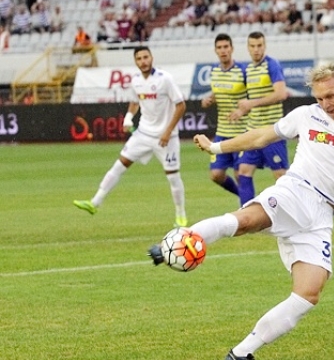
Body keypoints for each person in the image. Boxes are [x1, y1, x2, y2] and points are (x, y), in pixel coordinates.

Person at [148, 63, 334, 360]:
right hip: (296, 190)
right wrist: (216, 146)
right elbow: (260, 136)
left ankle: (242, 353)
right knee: (245, 221)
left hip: (322, 216)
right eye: (319, 97)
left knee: (309, 292)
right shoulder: (305, 115)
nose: (326, 104)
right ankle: (172, 244)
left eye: (330, 95)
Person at [73, 47, 188, 227]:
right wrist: (128, 117)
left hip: (167, 137)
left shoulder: (164, 79)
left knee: (173, 176)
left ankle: (181, 216)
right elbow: (135, 102)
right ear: (135, 62)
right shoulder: (135, 81)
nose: (143, 61)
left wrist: (167, 132)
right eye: (139, 58)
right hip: (143, 133)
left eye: (145, 57)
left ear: (152, 58)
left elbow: (181, 106)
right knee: (119, 165)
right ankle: (95, 202)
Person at [226, 31, 290, 205]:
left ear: (265, 46)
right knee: (242, 171)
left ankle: (288, 213)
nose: (256, 49)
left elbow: (281, 94)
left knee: (281, 176)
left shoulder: (272, 65)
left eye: (259, 45)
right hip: (253, 130)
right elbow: (250, 100)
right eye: (252, 46)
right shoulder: (249, 70)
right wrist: (242, 111)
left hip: (272, 131)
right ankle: (246, 214)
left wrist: (251, 104)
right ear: (247, 48)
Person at [200, 33, 249, 203]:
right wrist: (209, 99)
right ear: (215, 50)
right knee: (216, 174)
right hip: (222, 131)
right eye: (219, 48)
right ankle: (244, 197)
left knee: (240, 174)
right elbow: (217, 90)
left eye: (226, 47)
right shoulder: (214, 71)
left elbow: (252, 98)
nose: (223, 51)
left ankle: (247, 209)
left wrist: (243, 110)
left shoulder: (243, 71)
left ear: (232, 49)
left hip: (241, 132)